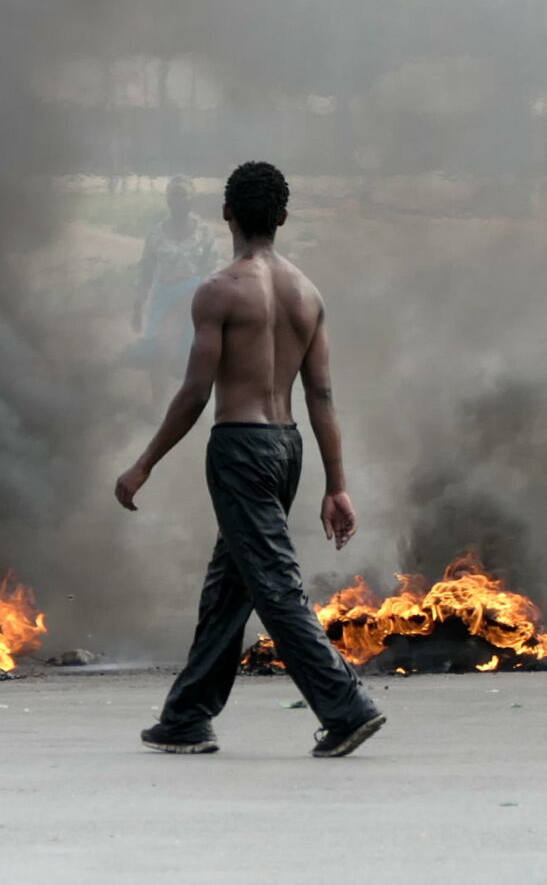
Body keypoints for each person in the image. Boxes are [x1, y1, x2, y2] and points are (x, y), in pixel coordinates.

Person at [112, 160, 386, 759]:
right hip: (288, 448)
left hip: (239, 447)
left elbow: (193, 392)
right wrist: (335, 484)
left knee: (272, 584)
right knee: (230, 585)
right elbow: (322, 396)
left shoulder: (219, 291)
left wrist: (145, 463)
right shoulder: (307, 294)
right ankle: (186, 717)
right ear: (283, 218)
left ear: (227, 213)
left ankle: (346, 708)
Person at [129, 177, 225, 377]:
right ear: (167, 200)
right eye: (174, 195)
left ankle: (185, 397)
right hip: (162, 294)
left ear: (191, 200)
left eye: (183, 195)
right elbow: (146, 270)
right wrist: (138, 306)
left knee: (189, 351)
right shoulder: (157, 232)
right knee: (155, 350)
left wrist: (201, 298)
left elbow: (212, 270)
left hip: (192, 296)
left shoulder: (204, 232)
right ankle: (157, 403)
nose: (178, 200)